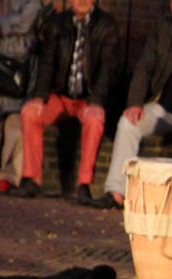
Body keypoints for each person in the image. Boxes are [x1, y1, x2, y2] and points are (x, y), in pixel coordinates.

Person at [92, 0, 172, 210]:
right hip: (162, 107)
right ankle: (116, 192)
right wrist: (134, 103)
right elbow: (143, 68)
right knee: (128, 123)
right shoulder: (161, 28)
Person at [14, 0, 119, 200]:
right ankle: (32, 178)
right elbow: (47, 63)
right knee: (29, 113)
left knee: (95, 120)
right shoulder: (57, 22)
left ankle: (84, 184)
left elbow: (108, 69)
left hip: (88, 98)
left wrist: (96, 101)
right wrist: (39, 97)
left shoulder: (107, 26)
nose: (81, 1)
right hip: (60, 95)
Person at [0, 0, 41, 194]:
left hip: (21, 69)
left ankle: (7, 176)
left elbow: (26, 22)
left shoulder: (33, 2)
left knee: (16, 124)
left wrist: (0, 23)